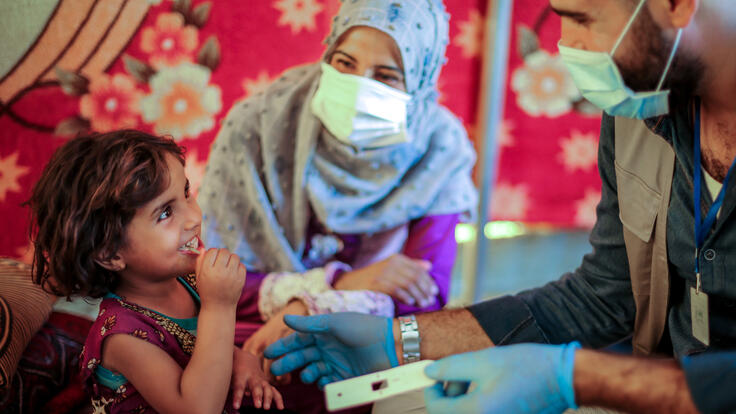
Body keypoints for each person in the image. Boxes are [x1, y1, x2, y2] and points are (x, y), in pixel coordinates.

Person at [263, 0, 736, 413]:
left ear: (676, 4)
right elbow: (605, 296)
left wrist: (572, 378)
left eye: (585, 19)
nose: (567, 46)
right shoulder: (640, 100)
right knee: (404, 405)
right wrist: (397, 341)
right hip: (654, 392)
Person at [198, 0, 477, 410]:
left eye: (386, 76)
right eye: (345, 63)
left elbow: (423, 297)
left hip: (361, 343)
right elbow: (215, 280)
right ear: (327, 53)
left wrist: (307, 307)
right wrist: (343, 284)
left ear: (419, 81)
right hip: (246, 338)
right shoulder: (259, 125)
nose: (359, 85)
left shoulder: (439, 150)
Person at [27, 130, 284, 413]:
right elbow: (197, 409)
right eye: (164, 213)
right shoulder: (123, 338)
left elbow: (199, 350)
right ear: (110, 254)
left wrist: (242, 359)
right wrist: (220, 306)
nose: (194, 218)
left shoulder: (188, 281)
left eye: (186, 193)